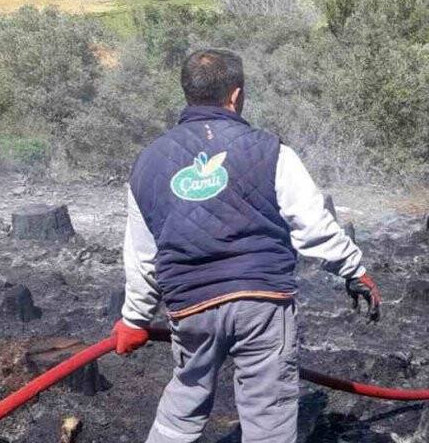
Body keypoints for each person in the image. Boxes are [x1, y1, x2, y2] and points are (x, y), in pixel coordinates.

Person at [112, 49, 380, 443]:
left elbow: (142, 256)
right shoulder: (271, 150)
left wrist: (135, 319)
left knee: (185, 399)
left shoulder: (148, 162)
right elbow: (312, 223)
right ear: (236, 96)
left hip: (191, 306)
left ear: (187, 93)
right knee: (267, 414)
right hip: (262, 302)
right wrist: (353, 269)